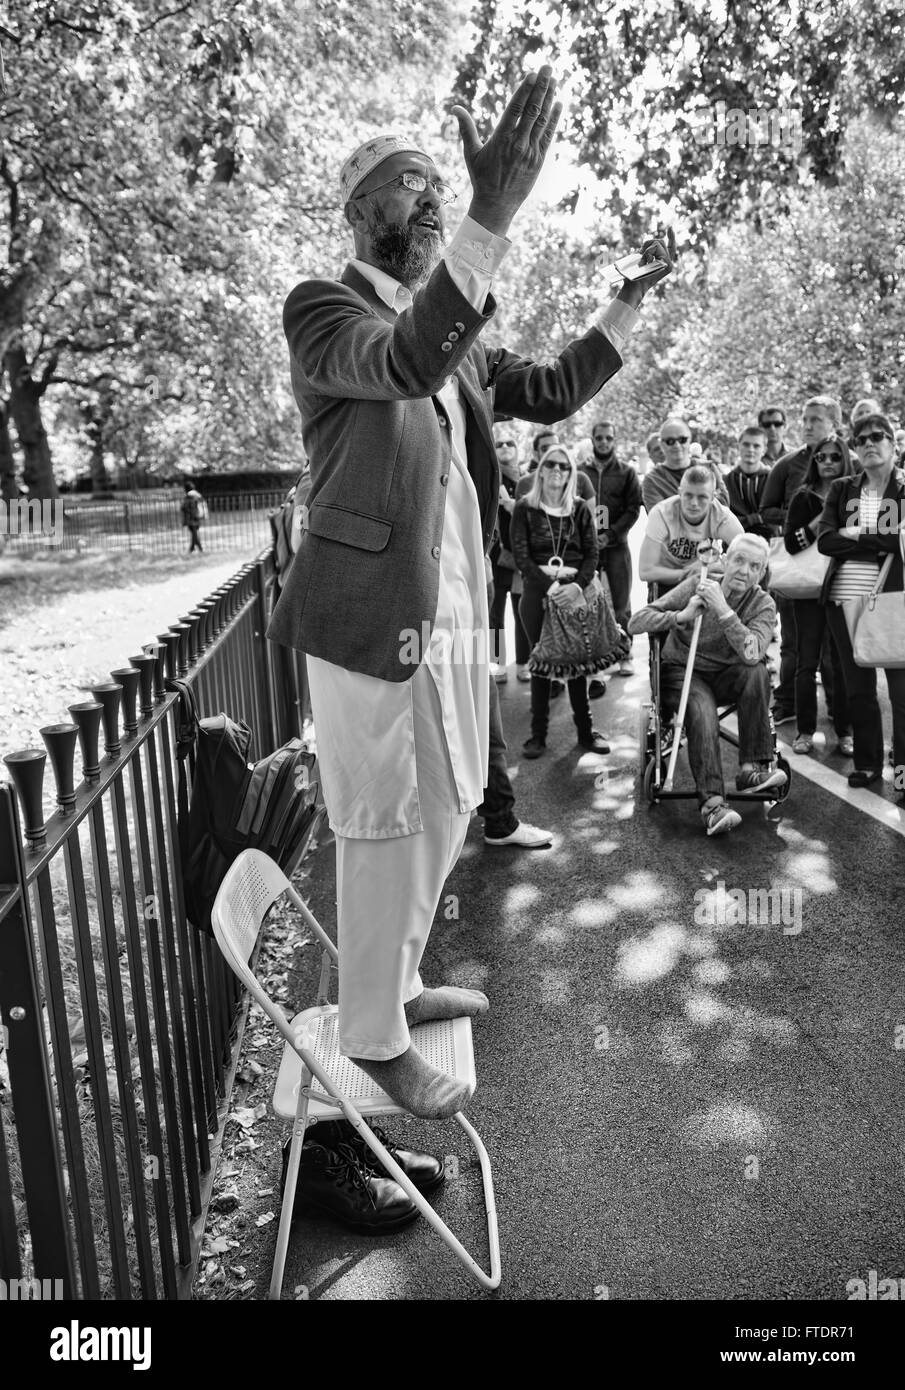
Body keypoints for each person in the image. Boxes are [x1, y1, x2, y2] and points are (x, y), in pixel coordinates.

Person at [267, 66, 674, 1119]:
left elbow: (542, 388)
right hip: (367, 612)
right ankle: (371, 1035)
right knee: (381, 817)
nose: (429, 198)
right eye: (407, 187)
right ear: (361, 214)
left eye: (433, 187)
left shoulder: (459, 337)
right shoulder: (323, 310)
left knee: (447, 804)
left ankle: (397, 984)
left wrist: (621, 310)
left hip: (454, 607)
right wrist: (493, 214)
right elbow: (401, 362)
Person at [629, 533, 787, 835]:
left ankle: (750, 772)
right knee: (701, 707)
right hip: (682, 671)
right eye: (739, 560)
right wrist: (681, 615)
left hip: (726, 675)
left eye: (754, 566)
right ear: (725, 560)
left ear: (761, 573)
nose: (744, 570)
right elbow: (637, 621)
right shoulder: (698, 583)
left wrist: (724, 611)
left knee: (756, 672)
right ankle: (713, 806)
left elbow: (752, 653)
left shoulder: (763, 604)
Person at [817, 411, 905, 798]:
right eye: (862, 439)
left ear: (893, 443)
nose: (870, 443)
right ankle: (868, 764)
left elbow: (897, 543)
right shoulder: (841, 489)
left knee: (902, 693)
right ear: (854, 448)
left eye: (878, 436)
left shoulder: (903, 491)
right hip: (842, 602)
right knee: (858, 690)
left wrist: (858, 533)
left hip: (893, 600)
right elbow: (825, 541)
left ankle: (902, 772)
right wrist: (879, 537)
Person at [511, 444, 611, 758]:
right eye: (551, 464)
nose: (557, 470)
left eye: (564, 466)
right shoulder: (525, 507)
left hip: (576, 591)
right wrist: (551, 587)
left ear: (571, 473)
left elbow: (593, 553)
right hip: (538, 592)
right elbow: (521, 556)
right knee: (541, 662)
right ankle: (538, 736)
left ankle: (585, 732)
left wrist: (577, 587)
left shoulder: (581, 508)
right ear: (540, 470)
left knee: (578, 663)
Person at [761, 394, 842, 726]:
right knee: (794, 645)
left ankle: (841, 713)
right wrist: (803, 516)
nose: (807, 425)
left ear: (835, 424)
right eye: (805, 419)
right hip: (798, 567)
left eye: (816, 420)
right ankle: (787, 703)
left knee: (836, 650)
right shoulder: (788, 464)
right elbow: (767, 511)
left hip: (841, 569)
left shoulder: (850, 464)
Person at [783, 434, 854, 756]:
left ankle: (845, 731)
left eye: (834, 457)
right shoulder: (804, 497)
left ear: (845, 461)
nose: (827, 462)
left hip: (844, 586)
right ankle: (805, 731)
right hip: (808, 588)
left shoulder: (855, 495)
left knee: (841, 663)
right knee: (805, 661)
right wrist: (820, 520)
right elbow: (791, 545)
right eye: (820, 457)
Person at [581, 418, 642, 679]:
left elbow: (633, 509)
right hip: (588, 547)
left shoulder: (627, 472)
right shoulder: (580, 472)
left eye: (609, 438)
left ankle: (625, 655)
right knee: (589, 601)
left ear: (615, 440)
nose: (604, 442)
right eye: (599, 438)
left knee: (621, 604)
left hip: (617, 546)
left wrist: (612, 534)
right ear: (592, 440)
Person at [639, 465, 743, 591]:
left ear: (713, 497)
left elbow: (746, 558)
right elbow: (645, 571)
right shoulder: (662, 513)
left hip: (706, 578)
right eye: (688, 495)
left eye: (702, 497)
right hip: (667, 579)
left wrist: (723, 565)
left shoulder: (723, 518)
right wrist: (688, 573)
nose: (694, 503)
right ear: (679, 493)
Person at [489, 428, 531, 682]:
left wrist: (512, 505)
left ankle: (524, 662)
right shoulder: (488, 477)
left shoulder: (527, 481)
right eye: (499, 444)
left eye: (510, 443)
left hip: (521, 558)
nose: (505, 447)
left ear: (517, 450)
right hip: (495, 556)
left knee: (521, 610)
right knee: (495, 611)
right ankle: (497, 664)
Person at [641, 416, 729, 510]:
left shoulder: (709, 468)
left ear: (689, 440)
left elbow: (723, 509)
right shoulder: (653, 480)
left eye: (682, 440)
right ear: (662, 444)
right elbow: (660, 518)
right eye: (670, 441)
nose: (677, 445)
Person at [725, 427, 772, 538]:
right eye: (746, 444)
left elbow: (776, 519)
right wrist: (757, 519)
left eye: (756, 446)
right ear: (738, 446)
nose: (751, 449)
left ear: (764, 450)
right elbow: (723, 520)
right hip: (734, 542)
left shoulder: (773, 479)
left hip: (769, 544)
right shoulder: (726, 481)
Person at [181, 481, 205, 553]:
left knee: (194, 533)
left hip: (191, 517)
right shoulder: (198, 495)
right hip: (198, 515)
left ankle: (199, 549)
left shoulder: (188, 496)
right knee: (194, 533)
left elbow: (184, 507)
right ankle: (192, 548)